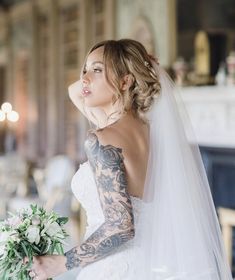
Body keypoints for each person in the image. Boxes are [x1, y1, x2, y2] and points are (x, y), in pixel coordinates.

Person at [28, 39, 233, 280]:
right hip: (153, 263)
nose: (84, 79)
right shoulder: (154, 134)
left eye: (97, 70)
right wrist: (123, 62)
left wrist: (60, 264)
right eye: (85, 70)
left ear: (126, 81)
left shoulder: (102, 137)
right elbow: (75, 91)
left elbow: (120, 226)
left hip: (113, 268)